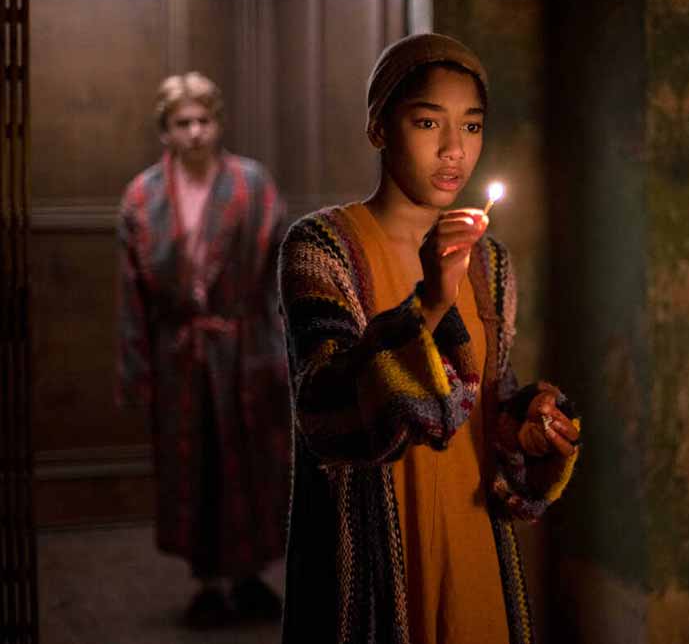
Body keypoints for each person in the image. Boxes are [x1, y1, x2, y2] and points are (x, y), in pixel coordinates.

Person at [278, 33, 582, 644]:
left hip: (471, 537)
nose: (453, 150)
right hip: (373, 548)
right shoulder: (322, 248)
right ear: (378, 128)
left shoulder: (490, 263)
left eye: (471, 127)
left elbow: (487, 397)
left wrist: (526, 424)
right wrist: (431, 302)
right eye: (427, 123)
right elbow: (324, 411)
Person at [117, 72, 290, 627]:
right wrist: (138, 368)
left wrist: (284, 351)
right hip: (181, 354)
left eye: (203, 120)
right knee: (194, 467)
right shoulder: (143, 196)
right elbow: (132, 295)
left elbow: (279, 277)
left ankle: (250, 576)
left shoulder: (252, 185)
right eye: (181, 122)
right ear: (165, 131)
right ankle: (209, 582)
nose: (194, 131)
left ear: (218, 124)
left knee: (253, 461)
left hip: (245, 346)